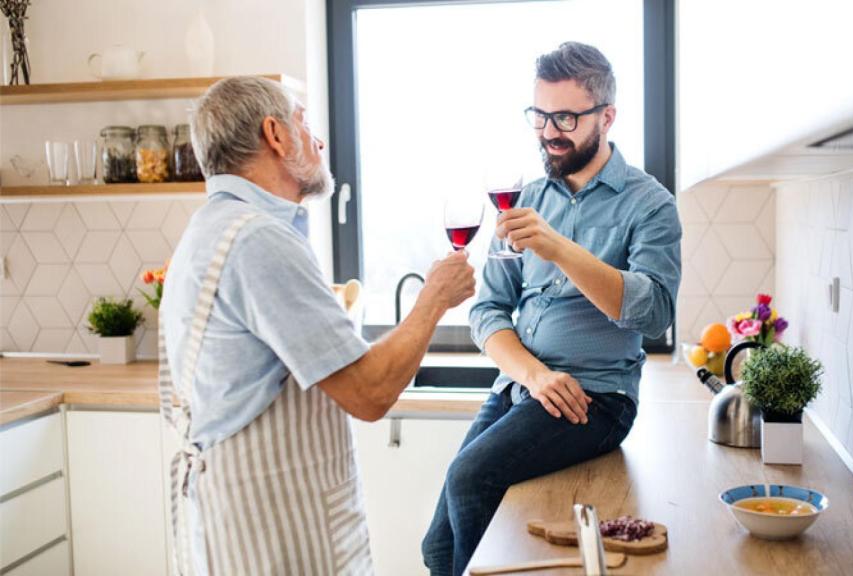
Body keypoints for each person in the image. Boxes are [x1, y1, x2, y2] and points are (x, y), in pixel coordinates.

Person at [160, 76, 476, 576]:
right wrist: (433, 299)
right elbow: (369, 392)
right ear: (276, 135)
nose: (319, 140)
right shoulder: (260, 240)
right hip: (272, 530)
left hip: (248, 514)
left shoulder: (213, 227)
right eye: (304, 122)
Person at [421, 42, 682, 575]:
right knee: (437, 549)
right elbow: (488, 311)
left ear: (606, 117)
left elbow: (654, 314)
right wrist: (535, 376)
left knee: (471, 479)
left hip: (598, 399)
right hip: (526, 388)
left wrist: (557, 245)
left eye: (564, 117)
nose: (547, 131)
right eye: (539, 115)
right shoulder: (525, 198)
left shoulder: (650, 204)